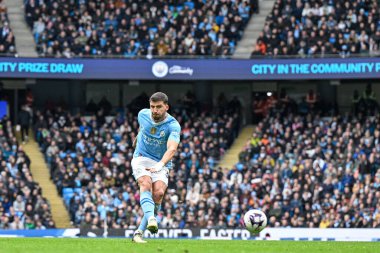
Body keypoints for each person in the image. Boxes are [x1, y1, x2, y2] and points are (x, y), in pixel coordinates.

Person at [132, 92, 181, 243]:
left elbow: (172, 148)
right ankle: (152, 219)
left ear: (166, 107)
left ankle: (138, 233)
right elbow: (142, 127)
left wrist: (160, 164)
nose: (154, 110)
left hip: (161, 161)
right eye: (152, 107)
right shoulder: (142, 114)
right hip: (141, 157)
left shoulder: (173, 125)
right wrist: (137, 138)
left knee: (158, 194)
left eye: (159, 107)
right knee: (145, 183)